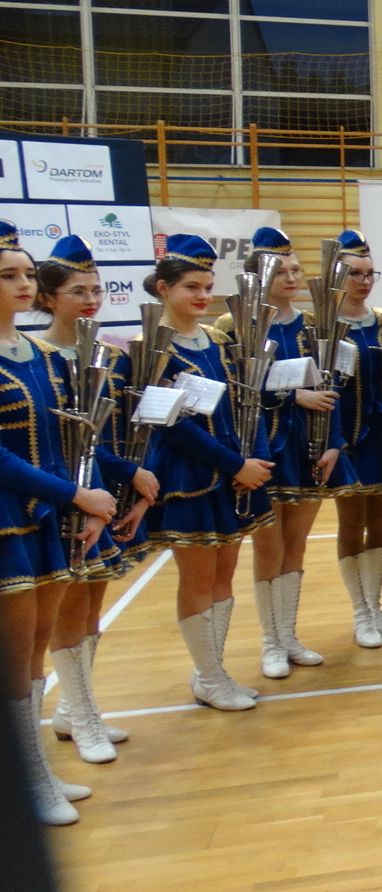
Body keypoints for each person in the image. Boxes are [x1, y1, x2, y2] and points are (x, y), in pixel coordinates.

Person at [0, 223, 117, 825]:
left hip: (49, 519)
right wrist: (76, 495)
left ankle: (38, 773)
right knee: (15, 660)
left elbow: (74, 441)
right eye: (9, 276)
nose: (24, 284)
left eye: (27, 274)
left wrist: (85, 506)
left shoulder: (45, 356)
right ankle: (24, 788)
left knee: (37, 653)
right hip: (7, 525)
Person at [37, 236, 157, 765]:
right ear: (48, 298)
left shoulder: (107, 353)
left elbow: (105, 437)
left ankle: (74, 709)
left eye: (96, 289)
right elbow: (58, 442)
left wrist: (129, 478)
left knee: (90, 609)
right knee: (69, 611)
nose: (91, 299)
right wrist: (88, 492)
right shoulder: (40, 357)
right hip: (63, 496)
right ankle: (82, 719)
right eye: (77, 291)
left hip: (101, 497)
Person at [143, 235, 275, 712]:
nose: (203, 295)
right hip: (188, 478)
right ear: (163, 288)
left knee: (224, 575)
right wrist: (234, 464)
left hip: (233, 475)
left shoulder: (218, 341)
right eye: (191, 287)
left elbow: (244, 403)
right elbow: (172, 425)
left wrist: (253, 462)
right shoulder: (151, 346)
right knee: (198, 579)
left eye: (207, 286)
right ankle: (208, 675)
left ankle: (214, 671)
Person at [219, 227, 350, 680]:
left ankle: (289, 634)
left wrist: (334, 442)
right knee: (269, 546)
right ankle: (270, 642)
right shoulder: (235, 325)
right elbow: (236, 390)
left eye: (295, 270)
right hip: (264, 446)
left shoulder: (315, 323)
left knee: (296, 546)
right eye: (281, 272)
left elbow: (331, 385)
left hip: (309, 445)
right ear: (258, 277)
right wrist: (293, 396)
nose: (292, 278)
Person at [329, 231, 382, 648]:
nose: (363, 281)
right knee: (350, 522)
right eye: (354, 274)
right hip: (345, 439)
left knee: (381, 521)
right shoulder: (323, 323)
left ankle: (375, 606)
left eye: (369, 273)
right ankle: (360, 611)